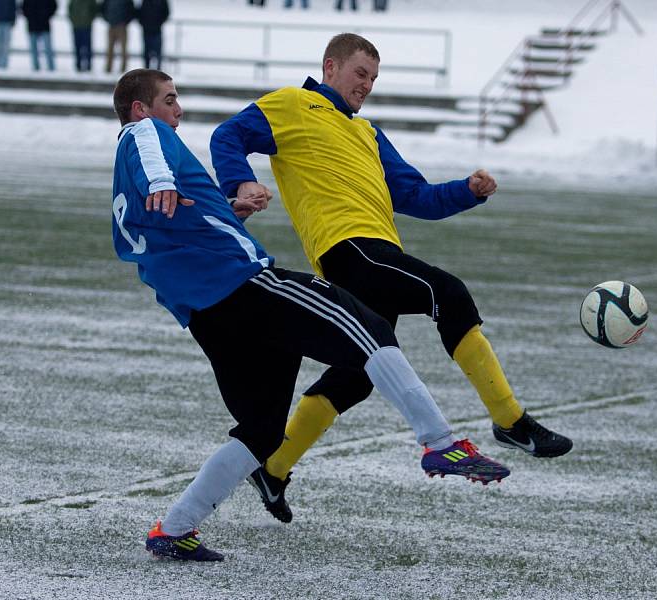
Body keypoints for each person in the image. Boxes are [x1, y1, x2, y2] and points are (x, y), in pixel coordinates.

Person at [112, 68, 510, 561]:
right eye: (169, 100)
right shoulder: (146, 138)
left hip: (207, 313)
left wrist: (234, 206)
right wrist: (161, 179)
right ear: (140, 108)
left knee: (260, 430)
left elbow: (181, 223)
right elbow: (148, 147)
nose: (179, 110)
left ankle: (173, 529)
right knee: (367, 325)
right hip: (242, 285)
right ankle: (439, 442)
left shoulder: (133, 178)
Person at [210, 33, 572, 524]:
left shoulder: (368, 134)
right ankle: (510, 420)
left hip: (377, 253)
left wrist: (467, 191)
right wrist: (240, 181)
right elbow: (226, 136)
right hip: (347, 250)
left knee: (356, 376)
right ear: (331, 66)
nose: (367, 86)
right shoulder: (292, 104)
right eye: (361, 74)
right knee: (446, 292)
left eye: (374, 79)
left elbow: (416, 196)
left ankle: (273, 468)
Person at [21, 0, 57, 72]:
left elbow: (53, 6)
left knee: (48, 49)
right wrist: (30, 16)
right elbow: (24, 8)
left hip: (44, 25)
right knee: (34, 50)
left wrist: (47, 15)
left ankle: (51, 69)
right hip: (33, 25)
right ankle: (36, 69)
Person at [102, 0, 134, 73]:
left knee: (123, 49)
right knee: (110, 48)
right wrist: (108, 19)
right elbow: (103, 9)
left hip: (122, 26)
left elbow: (131, 11)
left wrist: (126, 22)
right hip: (111, 25)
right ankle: (108, 68)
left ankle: (123, 69)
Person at [137, 0, 169, 70]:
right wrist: (143, 23)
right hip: (146, 30)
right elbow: (139, 13)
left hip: (157, 30)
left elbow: (166, 13)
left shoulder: (162, 1)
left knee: (158, 54)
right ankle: (146, 71)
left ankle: (158, 71)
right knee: (146, 53)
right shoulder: (145, 1)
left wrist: (159, 22)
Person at [67, 0, 99, 72]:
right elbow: (70, 9)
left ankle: (89, 66)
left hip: (87, 26)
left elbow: (95, 10)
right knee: (77, 46)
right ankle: (78, 65)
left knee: (88, 46)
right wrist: (73, 20)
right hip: (76, 26)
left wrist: (89, 20)